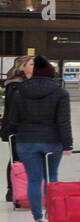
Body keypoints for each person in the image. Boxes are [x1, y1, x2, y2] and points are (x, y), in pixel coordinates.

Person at [2, 56, 73, 222]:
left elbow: (13, 119)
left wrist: (8, 133)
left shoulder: (20, 91)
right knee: (52, 176)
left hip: (26, 141)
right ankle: (52, 211)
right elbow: (63, 121)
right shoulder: (60, 93)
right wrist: (67, 143)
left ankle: (37, 218)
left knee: (34, 179)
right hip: (52, 140)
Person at [3, 56, 35, 203]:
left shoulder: (33, 82)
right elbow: (12, 110)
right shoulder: (14, 85)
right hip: (16, 128)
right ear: (23, 67)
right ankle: (12, 189)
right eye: (32, 63)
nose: (35, 66)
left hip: (31, 128)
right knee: (16, 158)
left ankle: (26, 187)